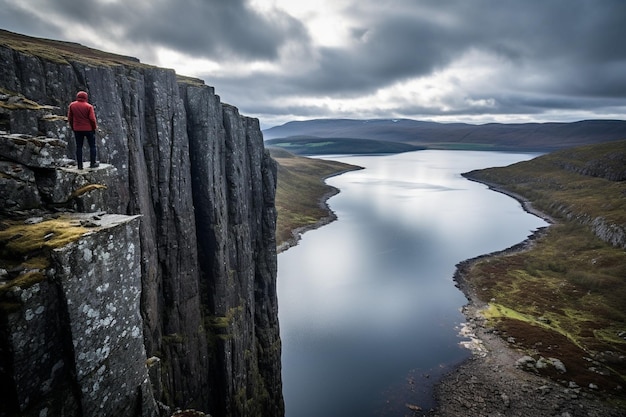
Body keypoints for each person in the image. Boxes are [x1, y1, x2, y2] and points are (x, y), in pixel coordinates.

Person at [67, 91, 99, 169]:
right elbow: (92, 119)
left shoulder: (72, 105)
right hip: (88, 129)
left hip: (77, 129)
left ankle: (80, 165)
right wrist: (94, 127)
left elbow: (70, 118)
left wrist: (72, 126)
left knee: (79, 147)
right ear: (85, 98)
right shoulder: (89, 106)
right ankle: (92, 163)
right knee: (92, 146)